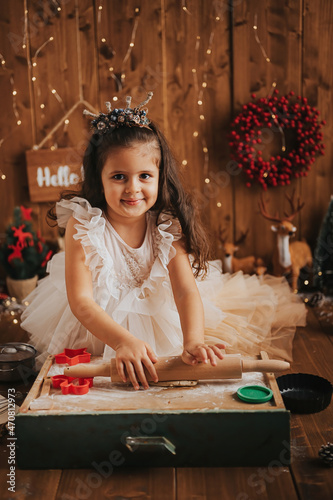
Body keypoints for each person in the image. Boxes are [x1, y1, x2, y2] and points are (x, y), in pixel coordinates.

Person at [21, 92, 307, 389]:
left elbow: (184, 291)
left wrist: (194, 340)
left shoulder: (165, 226)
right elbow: (81, 302)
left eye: (144, 175)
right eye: (119, 176)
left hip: (160, 317)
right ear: (99, 178)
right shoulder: (85, 224)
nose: (133, 188)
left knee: (181, 374)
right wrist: (123, 341)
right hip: (99, 327)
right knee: (102, 382)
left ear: (160, 177)